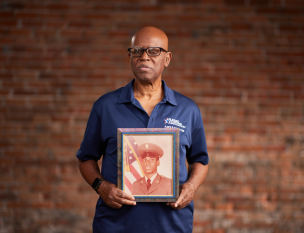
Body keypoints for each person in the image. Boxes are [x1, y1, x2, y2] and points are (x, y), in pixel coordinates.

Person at [76, 26, 209, 233]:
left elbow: (200, 160)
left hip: (172, 225)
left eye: (154, 51)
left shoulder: (188, 109)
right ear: (130, 57)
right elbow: (86, 159)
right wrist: (101, 187)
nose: (144, 57)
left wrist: (191, 187)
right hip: (115, 225)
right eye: (137, 51)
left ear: (167, 58)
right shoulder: (105, 106)